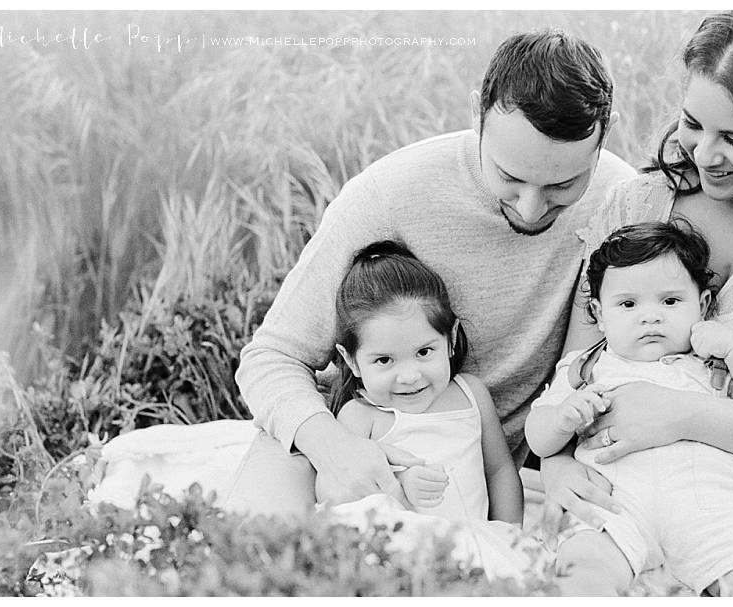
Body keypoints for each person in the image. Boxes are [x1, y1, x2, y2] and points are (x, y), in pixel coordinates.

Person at [225, 29, 636, 517]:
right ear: (475, 116)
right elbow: (271, 357)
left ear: (604, 132)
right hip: (350, 438)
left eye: (563, 185)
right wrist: (335, 448)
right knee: (257, 550)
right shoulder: (389, 194)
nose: (530, 208)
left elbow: (589, 365)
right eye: (509, 177)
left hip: (485, 462)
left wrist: (561, 459)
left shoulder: (620, 203)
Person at [541, 11, 733, 596]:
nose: (705, 153)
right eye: (692, 124)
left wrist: (684, 414)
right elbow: (579, 368)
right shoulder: (638, 206)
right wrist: (559, 465)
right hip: (630, 506)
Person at [526, 221, 733, 596]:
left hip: (708, 501)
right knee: (582, 569)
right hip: (613, 499)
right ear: (600, 314)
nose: (650, 316)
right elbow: (537, 438)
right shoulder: (585, 366)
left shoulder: (712, 360)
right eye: (628, 304)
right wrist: (561, 417)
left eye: (670, 301)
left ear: (702, 305)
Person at [330, 240, 523, 525]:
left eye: (423, 352)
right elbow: (332, 490)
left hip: (476, 546)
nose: (409, 376)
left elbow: (499, 470)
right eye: (384, 360)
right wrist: (396, 479)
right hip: (400, 555)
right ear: (352, 361)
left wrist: (510, 537)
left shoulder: (471, 394)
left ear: (451, 340)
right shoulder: (360, 416)